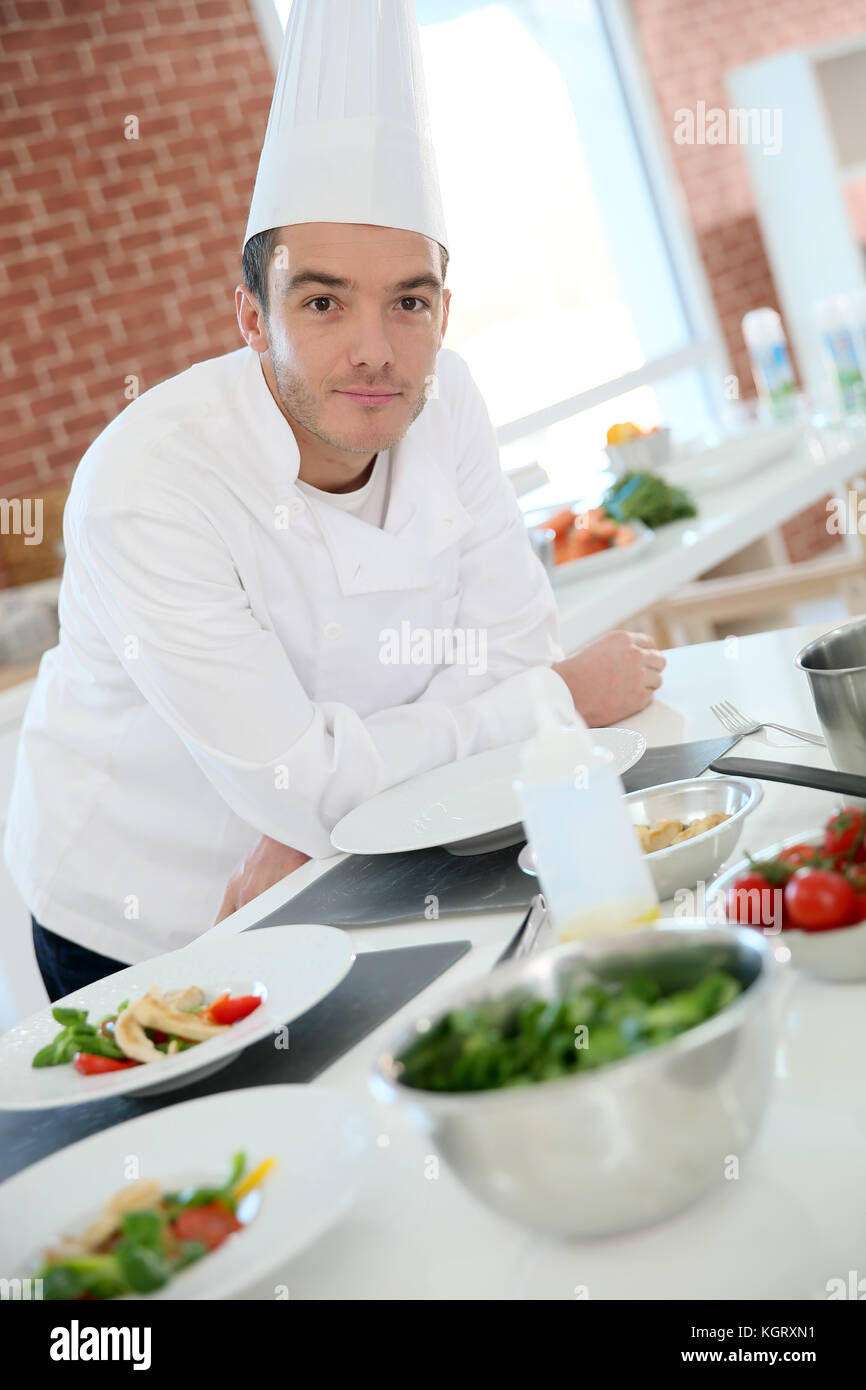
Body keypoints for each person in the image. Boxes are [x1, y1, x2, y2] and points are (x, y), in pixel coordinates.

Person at [4, 0, 664, 1001]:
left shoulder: (452, 402)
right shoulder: (149, 488)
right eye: (322, 302)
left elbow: (503, 651)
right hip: (157, 921)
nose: (373, 348)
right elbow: (347, 766)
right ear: (249, 316)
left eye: (408, 300)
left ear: (442, 307)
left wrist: (313, 809)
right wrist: (553, 702)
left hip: (365, 856)